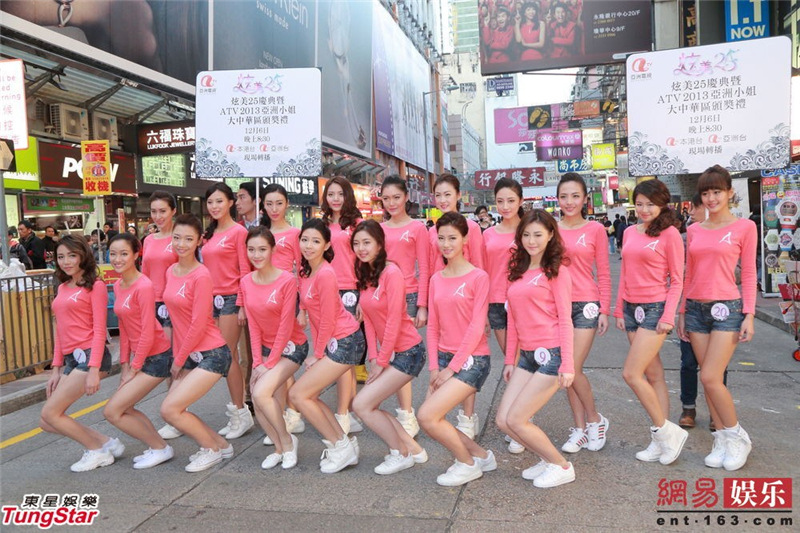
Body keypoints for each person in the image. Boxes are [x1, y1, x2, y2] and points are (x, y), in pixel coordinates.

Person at [678, 165, 757, 471]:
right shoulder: (694, 230)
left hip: (728, 309)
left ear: (729, 193)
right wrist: (683, 310)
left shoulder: (744, 228)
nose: (711, 198)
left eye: (717, 192)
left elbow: (749, 274)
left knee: (712, 376)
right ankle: (722, 440)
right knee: (706, 380)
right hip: (696, 310)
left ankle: (738, 437)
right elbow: (689, 273)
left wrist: (749, 314)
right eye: (706, 193)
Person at [496, 209, 577, 488]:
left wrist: (567, 364)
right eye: (527, 235)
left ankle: (561, 465)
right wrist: (510, 359)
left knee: (517, 419)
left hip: (552, 355)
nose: (532, 240)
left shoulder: (557, 271)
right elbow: (514, 320)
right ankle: (545, 458)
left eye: (538, 235)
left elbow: (565, 319)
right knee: (503, 421)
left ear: (551, 235)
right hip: (527, 357)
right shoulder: (517, 271)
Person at [418, 212, 495, 487]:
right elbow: (433, 327)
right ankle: (482, 456)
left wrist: (452, 368)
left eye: (452, 238)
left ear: (465, 239)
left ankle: (466, 463)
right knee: (431, 416)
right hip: (445, 360)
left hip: (473, 361)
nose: (446, 244)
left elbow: (476, 328)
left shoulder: (479, 277)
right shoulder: (436, 279)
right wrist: (435, 368)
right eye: (441, 238)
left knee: (426, 416)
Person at [615, 179, 687, 465]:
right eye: (640, 204)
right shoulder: (631, 232)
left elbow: (677, 280)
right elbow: (625, 272)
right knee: (653, 375)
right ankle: (660, 440)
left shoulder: (669, 234)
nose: (644, 209)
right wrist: (619, 310)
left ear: (662, 204)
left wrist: (669, 315)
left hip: (656, 308)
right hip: (632, 310)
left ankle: (669, 434)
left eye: (650, 204)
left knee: (631, 374)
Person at [351, 221, 429, 474]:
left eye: (366, 243)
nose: (361, 248)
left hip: (409, 353)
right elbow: (370, 321)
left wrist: (383, 361)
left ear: (380, 244)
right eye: (356, 243)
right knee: (368, 404)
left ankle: (400, 452)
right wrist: (374, 358)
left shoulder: (391, 273)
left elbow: (395, 319)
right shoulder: (365, 273)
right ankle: (413, 449)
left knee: (362, 405)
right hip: (390, 354)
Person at [288, 219, 366, 474]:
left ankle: (339, 445)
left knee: (299, 395)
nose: (308, 246)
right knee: (306, 395)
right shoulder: (307, 270)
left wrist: (317, 355)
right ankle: (342, 445)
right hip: (334, 341)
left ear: (327, 245)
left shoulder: (326, 273)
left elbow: (331, 318)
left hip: (345, 341)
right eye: (305, 240)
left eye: (315, 241)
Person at [160, 214, 234, 472]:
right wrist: (180, 356)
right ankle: (220, 445)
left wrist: (177, 361)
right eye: (177, 237)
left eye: (188, 239)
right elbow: (176, 321)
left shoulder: (201, 275)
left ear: (199, 242)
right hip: (190, 353)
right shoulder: (171, 271)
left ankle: (210, 449)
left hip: (212, 353)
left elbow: (199, 323)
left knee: (170, 409)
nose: (181, 244)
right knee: (172, 408)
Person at [40, 235, 117, 472]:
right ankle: (105, 443)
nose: (66, 261)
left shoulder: (96, 285)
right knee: (46, 421)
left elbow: (98, 330)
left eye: (71, 255)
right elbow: (60, 330)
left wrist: (94, 370)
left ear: (83, 255)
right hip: (71, 358)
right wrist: (56, 369)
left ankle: (97, 451)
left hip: (90, 355)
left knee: (51, 413)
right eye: (61, 257)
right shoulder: (63, 287)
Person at [103, 233, 174, 469]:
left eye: (124, 253)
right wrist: (124, 365)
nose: (118, 259)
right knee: (125, 407)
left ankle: (160, 448)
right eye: (113, 253)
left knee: (112, 411)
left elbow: (146, 332)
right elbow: (124, 329)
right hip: (141, 357)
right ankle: (158, 446)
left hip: (157, 357)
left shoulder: (143, 285)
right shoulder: (117, 284)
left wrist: (134, 368)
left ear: (136, 254)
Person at [241, 226, 309, 470]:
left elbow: (284, 325)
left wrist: (269, 363)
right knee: (257, 396)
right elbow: (254, 326)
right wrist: (258, 361)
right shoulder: (246, 281)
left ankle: (289, 443)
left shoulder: (286, 280)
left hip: (292, 347)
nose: (256, 255)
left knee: (260, 393)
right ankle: (279, 448)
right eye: (251, 250)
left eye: (262, 249)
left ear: (272, 250)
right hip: (266, 349)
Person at [556, 173, 611, 455]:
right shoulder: (551, 229)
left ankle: (595, 420)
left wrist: (605, 309)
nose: (569, 202)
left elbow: (603, 271)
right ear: (557, 199)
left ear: (585, 199)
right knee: (565, 370)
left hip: (587, 304)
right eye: (564, 196)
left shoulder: (595, 230)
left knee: (572, 368)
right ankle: (579, 429)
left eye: (575, 196)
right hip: (558, 305)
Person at [429, 174, 485, 439]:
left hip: (468, 294)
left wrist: (480, 305)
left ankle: (467, 417)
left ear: (458, 195)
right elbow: (432, 265)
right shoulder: (432, 229)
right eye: (438, 195)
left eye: (447, 194)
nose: (442, 200)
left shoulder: (472, 227)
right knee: (447, 345)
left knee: (468, 353)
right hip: (443, 292)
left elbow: (480, 264)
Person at [201, 182, 254, 440]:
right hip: (212, 300)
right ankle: (238, 411)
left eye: (219, 201)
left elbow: (245, 270)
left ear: (231, 203)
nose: (214, 206)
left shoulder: (238, 232)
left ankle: (241, 412)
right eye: (210, 202)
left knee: (227, 354)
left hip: (233, 298)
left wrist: (243, 304)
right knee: (225, 355)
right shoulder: (209, 235)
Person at [379, 176, 429, 438]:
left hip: (408, 296)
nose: (391, 203)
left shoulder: (418, 228)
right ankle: (405, 412)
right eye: (386, 198)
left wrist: (422, 305)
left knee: (403, 354)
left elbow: (425, 266)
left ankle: (407, 414)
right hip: (382, 298)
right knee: (392, 352)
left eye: (396, 197)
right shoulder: (379, 229)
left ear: (406, 197)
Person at [481, 178, 524, 453]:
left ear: (520, 200)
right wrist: (483, 310)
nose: (505, 206)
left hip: (525, 302)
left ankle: (521, 419)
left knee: (525, 363)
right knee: (513, 362)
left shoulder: (529, 230)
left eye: (510, 200)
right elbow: (483, 273)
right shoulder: (489, 234)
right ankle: (519, 420)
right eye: (500, 201)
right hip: (497, 302)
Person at [677, 193, 727, 430]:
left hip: (721, 307)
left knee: (716, 367)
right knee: (688, 362)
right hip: (693, 305)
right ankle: (688, 407)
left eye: (694, 208)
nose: (692, 213)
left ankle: (717, 414)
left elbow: (740, 272)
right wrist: (682, 311)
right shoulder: (688, 237)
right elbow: (682, 276)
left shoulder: (730, 232)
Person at [260, 183, 305, 438]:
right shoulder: (260, 232)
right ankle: (281, 411)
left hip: (287, 301)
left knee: (286, 355)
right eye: (269, 204)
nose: (274, 208)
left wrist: (302, 308)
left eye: (278, 203)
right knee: (272, 355)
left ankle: (293, 412)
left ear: (287, 203)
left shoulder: (294, 233)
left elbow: (301, 270)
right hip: (263, 304)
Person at [320, 176, 364, 434]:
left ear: (348, 196)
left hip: (351, 292)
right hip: (327, 291)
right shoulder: (323, 224)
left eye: (340, 194)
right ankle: (349, 411)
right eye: (331, 194)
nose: (335, 199)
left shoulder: (357, 224)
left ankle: (345, 413)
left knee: (343, 355)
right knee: (337, 353)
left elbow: (364, 260)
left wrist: (362, 295)